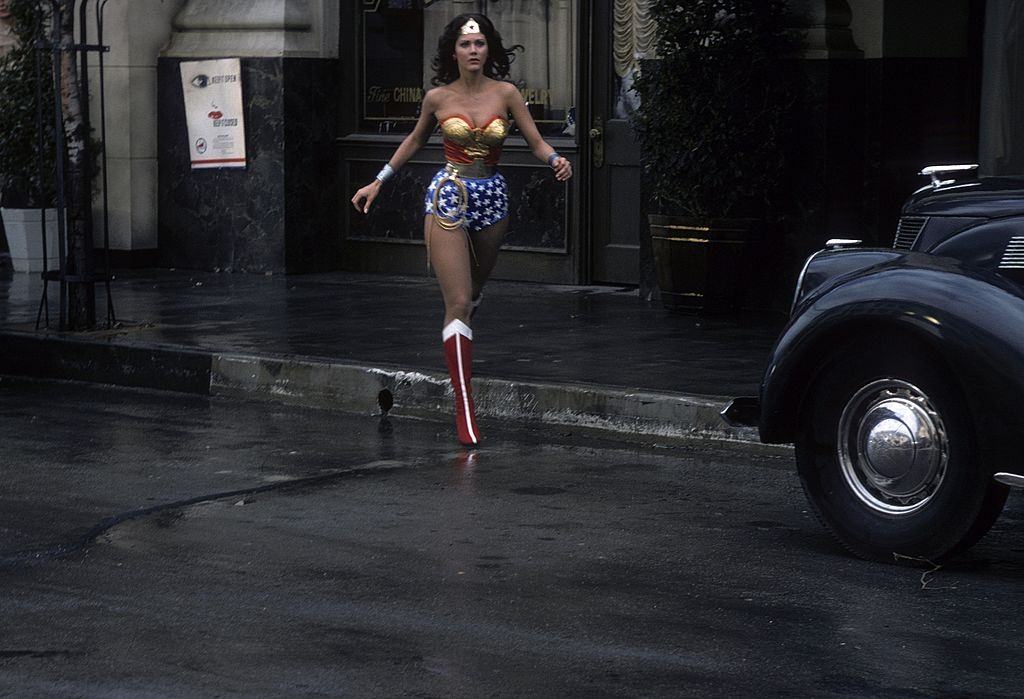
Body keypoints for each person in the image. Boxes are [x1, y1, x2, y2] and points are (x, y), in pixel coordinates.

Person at [351, 14, 572, 447]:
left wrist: (555, 160)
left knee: (472, 299)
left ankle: (463, 327)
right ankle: (464, 408)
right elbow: (414, 141)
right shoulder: (437, 97)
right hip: (448, 196)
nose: (473, 50)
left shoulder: (506, 94)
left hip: (493, 197)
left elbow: (534, 141)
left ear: (490, 50)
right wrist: (378, 180)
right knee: (458, 301)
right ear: (453, 51)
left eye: (480, 43)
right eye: (466, 44)